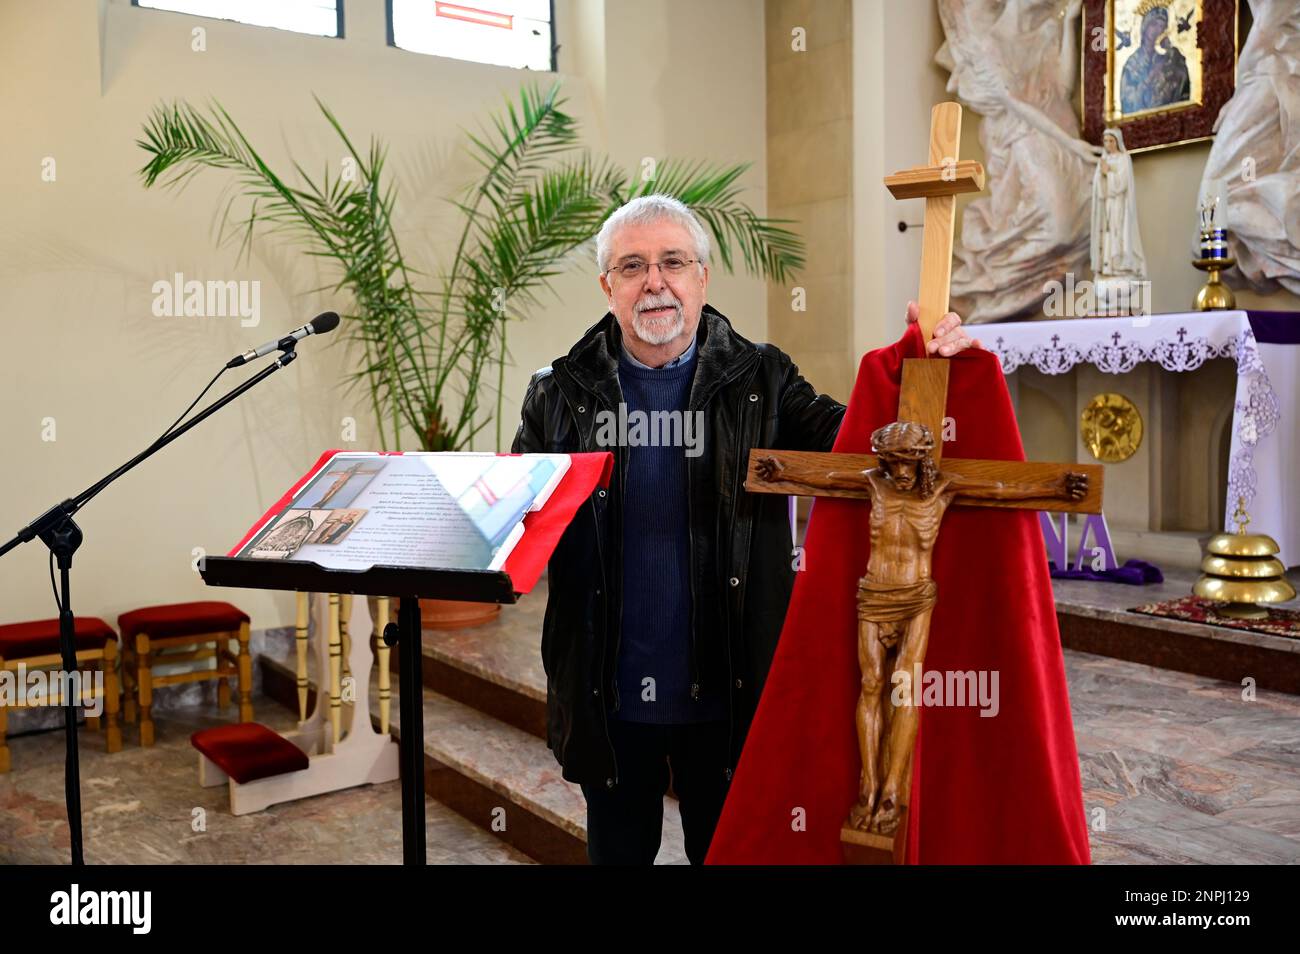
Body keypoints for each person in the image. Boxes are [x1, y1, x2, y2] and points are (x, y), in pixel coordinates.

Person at [510, 194, 980, 864]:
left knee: (729, 856)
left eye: (673, 262)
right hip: (606, 692)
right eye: (634, 266)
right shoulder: (558, 391)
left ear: (702, 276)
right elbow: (522, 516)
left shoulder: (761, 377)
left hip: (728, 685)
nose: (656, 282)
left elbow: (862, 444)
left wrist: (927, 370)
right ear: (607, 286)